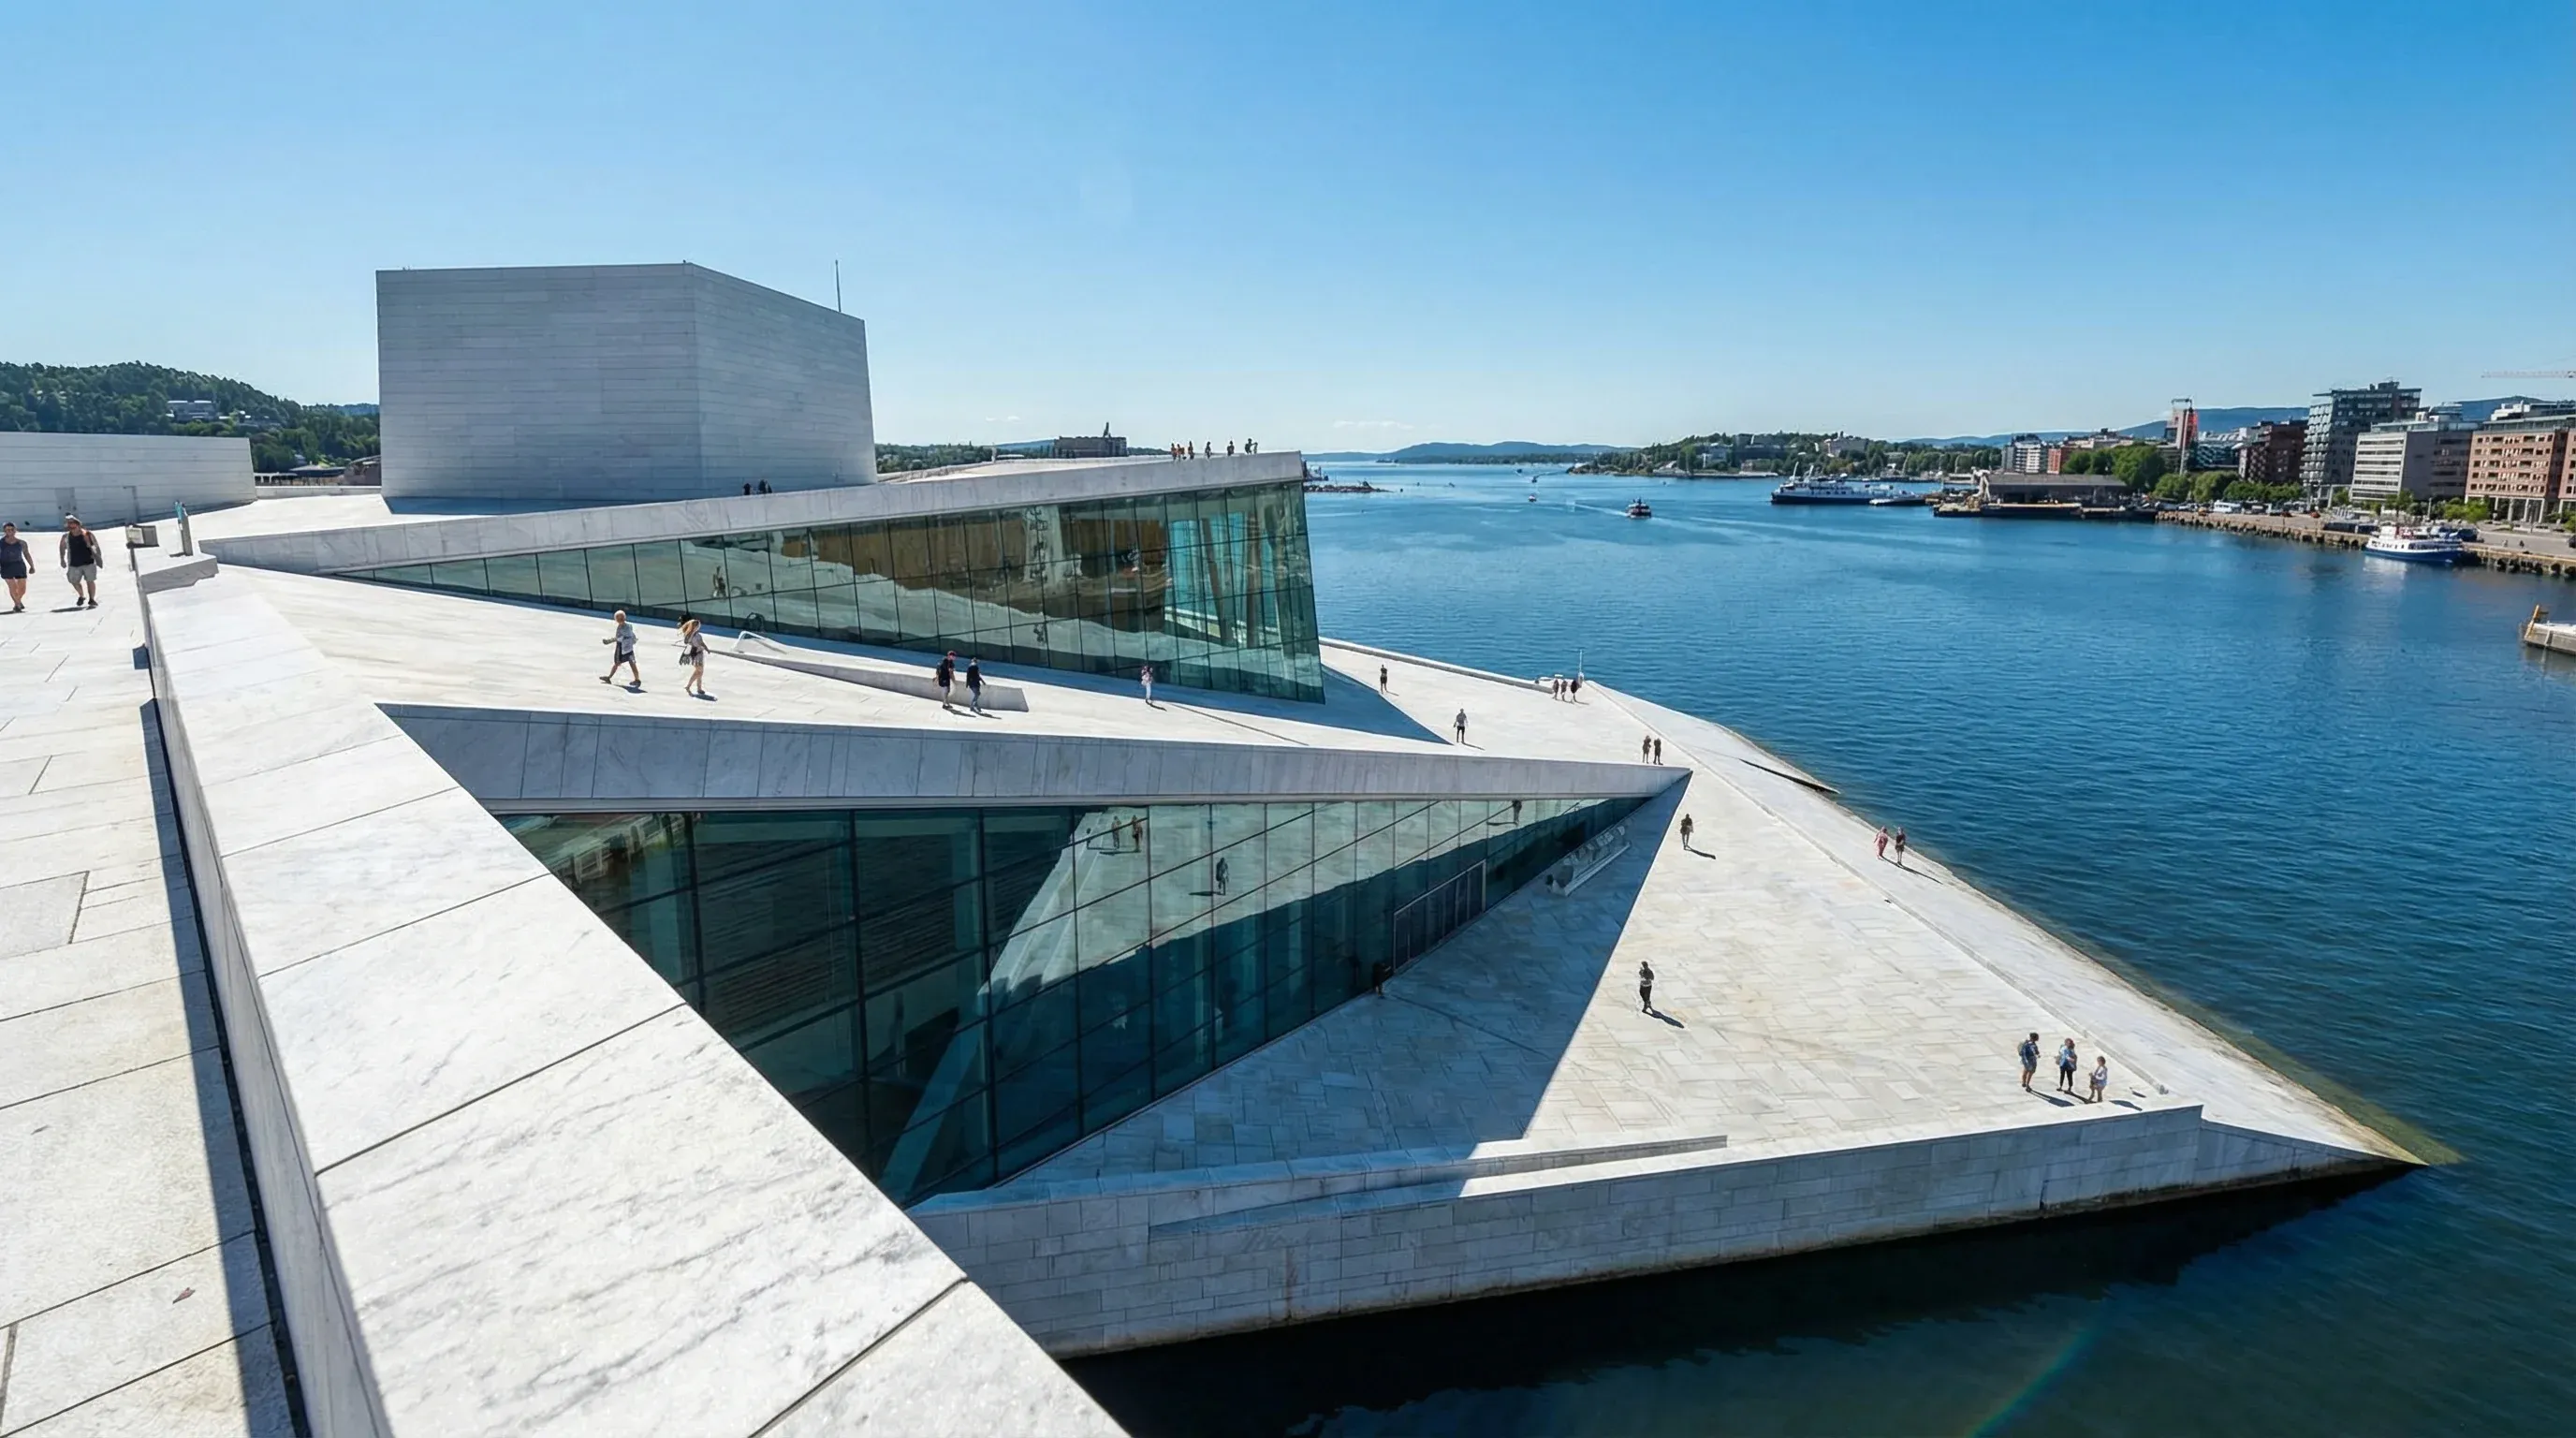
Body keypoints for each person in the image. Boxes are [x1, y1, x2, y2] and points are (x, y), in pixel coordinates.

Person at [58, 517, 101, 609]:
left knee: (90, 580)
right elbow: (62, 547)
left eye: (73, 526)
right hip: (74, 563)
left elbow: (96, 546)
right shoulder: (66, 537)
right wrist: (62, 559)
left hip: (89, 561)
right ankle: (81, 595)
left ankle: (92, 599)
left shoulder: (87, 534)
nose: (72, 529)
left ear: (78, 525)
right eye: (70, 527)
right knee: (73, 580)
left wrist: (98, 558)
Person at [598, 610, 642, 688]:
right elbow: (623, 637)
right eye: (618, 618)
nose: (620, 619)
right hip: (623, 647)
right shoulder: (623, 626)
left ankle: (637, 680)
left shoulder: (627, 627)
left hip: (626, 647)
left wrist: (608, 641)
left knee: (632, 663)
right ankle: (609, 677)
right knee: (618, 663)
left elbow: (621, 637)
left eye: (621, 618)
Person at [0, 521, 32, 613]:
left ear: (15, 530)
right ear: (5, 531)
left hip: (19, 565)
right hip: (6, 566)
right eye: (7, 530)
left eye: (11, 529)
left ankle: (18, 601)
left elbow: (27, 554)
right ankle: (17, 604)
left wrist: (32, 566)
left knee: (22, 588)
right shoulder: (1, 543)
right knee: (12, 586)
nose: (9, 531)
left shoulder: (22, 543)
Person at [679, 617, 709, 697]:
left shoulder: (699, 635)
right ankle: (690, 686)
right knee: (699, 670)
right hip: (695, 654)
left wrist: (707, 648)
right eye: (697, 626)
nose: (699, 627)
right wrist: (691, 633)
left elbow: (702, 643)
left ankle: (698, 688)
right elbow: (686, 642)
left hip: (700, 653)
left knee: (700, 672)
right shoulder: (690, 635)